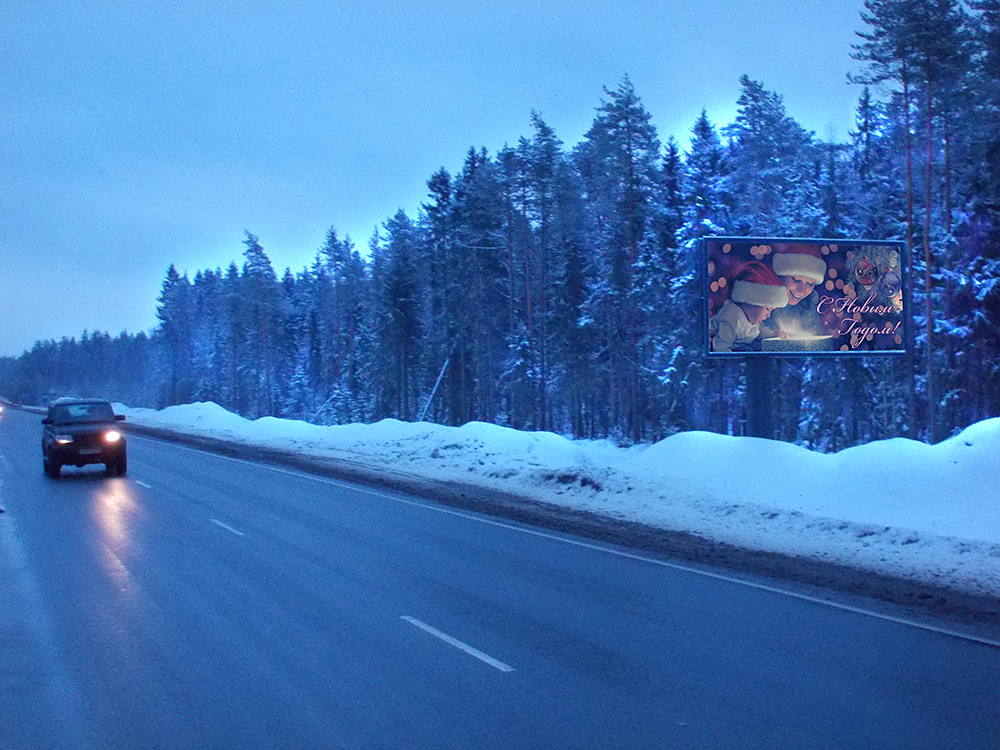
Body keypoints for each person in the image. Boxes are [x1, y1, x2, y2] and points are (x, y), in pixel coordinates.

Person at [710, 261, 788, 352]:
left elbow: (760, 330)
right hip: (719, 343)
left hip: (739, 345)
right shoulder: (733, 318)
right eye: (767, 309)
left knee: (755, 346)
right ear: (751, 302)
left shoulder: (752, 318)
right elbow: (720, 346)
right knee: (749, 349)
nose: (768, 315)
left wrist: (773, 334)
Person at [759, 243, 827, 340]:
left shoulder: (809, 309)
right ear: (781, 274)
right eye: (796, 280)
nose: (801, 291)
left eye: (810, 284)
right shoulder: (760, 301)